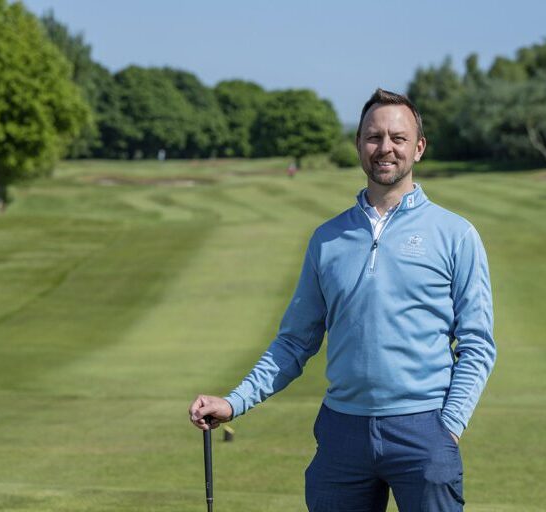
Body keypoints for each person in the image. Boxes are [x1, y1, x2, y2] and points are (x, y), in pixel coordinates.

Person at [189, 88, 496, 511]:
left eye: (398, 138)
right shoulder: (328, 239)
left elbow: (477, 344)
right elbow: (295, 342)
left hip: (424, 429)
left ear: (419, 148)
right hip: (342, 432)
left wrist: (449, 427)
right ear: (358, 144)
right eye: (373, 137)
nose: (384, 148)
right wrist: (234, 401)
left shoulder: (456, 234)